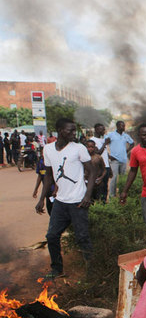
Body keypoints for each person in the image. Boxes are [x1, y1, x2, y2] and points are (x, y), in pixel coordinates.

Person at [35, 118, 96, 279]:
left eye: (74, 130)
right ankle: (57, 269)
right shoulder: (48, 149)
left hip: (78, 201)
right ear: (60, 130)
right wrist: (42, 198)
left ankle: (92, 271)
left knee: (82, 237)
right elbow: (48, 176)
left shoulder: (79, 148)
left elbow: (93, 172)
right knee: (52, 236)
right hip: (60, 202)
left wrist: (87, 196)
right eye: (70, 130)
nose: (73, 133)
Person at [105, 120, 134, 197]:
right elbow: (104, 144)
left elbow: (132, 143)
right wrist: (108, 156)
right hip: (114, 160)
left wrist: (126, 151)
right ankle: (112, 196)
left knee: (123, 178)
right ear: (117, 126)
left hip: (123, 160)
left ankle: (122, 194)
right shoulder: (111, 135)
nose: (123, 127)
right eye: (122, 125)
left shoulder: (125, 135)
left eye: (124, 126)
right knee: (114, 178)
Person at [91, 123, 111, 203]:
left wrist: (110, 168)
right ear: (96, 130)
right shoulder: (93, 140)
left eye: (104, 129)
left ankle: (103, 203)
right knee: (97, 186)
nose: (103, 131)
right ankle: (95, 203)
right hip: (98, 168)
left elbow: (105, 155)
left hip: (106, 167)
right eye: (101, 129)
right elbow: (97, 153)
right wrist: (105, 144)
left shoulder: (103, 140)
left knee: (105, 186)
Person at [33, 150, 55, 215]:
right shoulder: (40, 163)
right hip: (47, 191)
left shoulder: (53, 162)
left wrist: (55, 190)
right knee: (50, 210)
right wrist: (36, 189)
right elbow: (40, 176)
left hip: (54, 192)